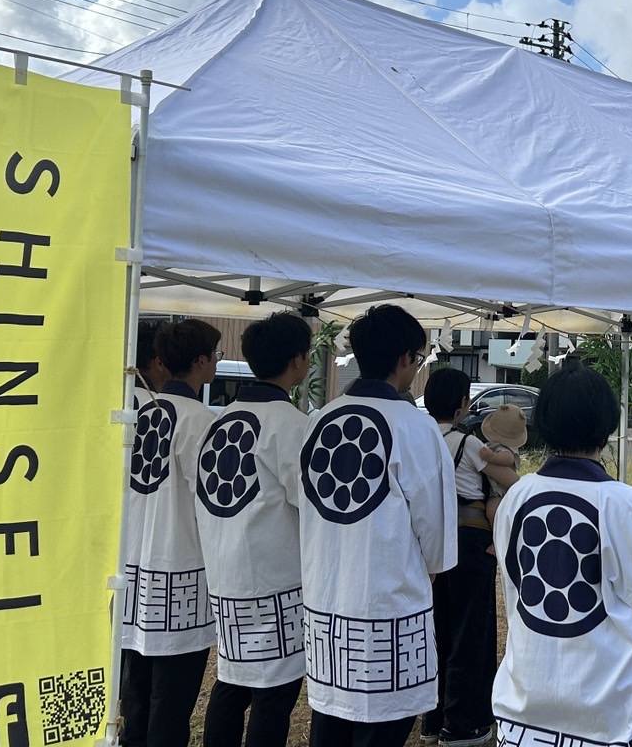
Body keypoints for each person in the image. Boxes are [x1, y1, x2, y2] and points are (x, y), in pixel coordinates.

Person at [491, 365, 632, 746]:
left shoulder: (517, 496)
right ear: (608, 424)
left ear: (542, 423)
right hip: (609, 708)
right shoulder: (624, 504)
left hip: (526, 698)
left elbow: (515, 589)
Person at [298, 304, 456, 747]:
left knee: (330, 721)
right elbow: (438, 540)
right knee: (381, 726)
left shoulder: (317, 421)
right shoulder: (416, 428)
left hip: (329, 604)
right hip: (389, 607)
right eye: (420, 359)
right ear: (406, 357)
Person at [193, 312, 315, 747]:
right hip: (274, 575)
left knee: (232, 679)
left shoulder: (218, 422)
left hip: (225, 572)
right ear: (298, 360)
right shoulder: (293, 427)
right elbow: (314, 506)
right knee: (275, 690)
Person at [119, 318, 219, 747]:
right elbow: (213, 501)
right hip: (180, 569)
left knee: (136, 690)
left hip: (134, 564)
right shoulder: (200, 421)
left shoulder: (137, 412)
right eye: (214, 356)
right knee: (172, 701)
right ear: (200, 361)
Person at [420, 369, 520, 747]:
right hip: (468, 539)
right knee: (469, 631)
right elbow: (511, 479)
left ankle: (432, 718)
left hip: (428, 538)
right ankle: (464, 723)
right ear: (463, 405)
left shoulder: (421, 437)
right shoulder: (467, 443)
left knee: (436, 628)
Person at [477, 405, 526, 526]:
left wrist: (492, 457)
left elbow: (508, 458)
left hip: (501, 491)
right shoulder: (493, 445)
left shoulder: (506, 449)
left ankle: (496, 539)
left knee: (493, 511)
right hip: (494, 488)